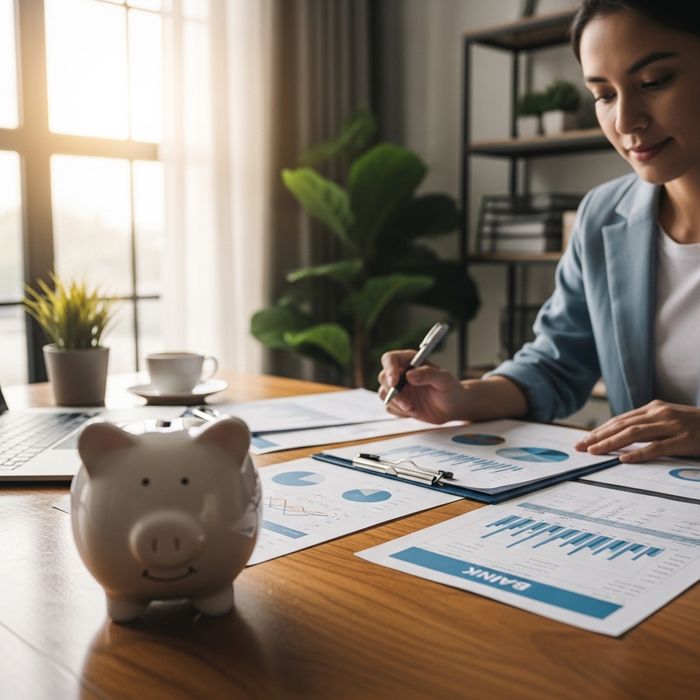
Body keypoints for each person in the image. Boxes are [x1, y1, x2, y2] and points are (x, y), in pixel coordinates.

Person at [378, 0, 700, 464]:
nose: (627, 121)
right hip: (648, 502)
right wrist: (463, 399)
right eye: (604, 95)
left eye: (653, 82)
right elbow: (556, 362)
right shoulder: (603, 214)